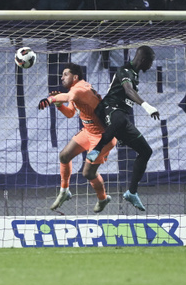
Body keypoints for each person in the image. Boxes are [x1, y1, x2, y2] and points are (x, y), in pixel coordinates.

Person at [85, 46, 160, 211]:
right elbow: (128, 89)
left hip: (121, 120)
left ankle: (132, 192)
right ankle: (97, 149)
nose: (151, 65)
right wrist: (147, 106)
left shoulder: (135, 75)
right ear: (144, 59)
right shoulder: (125, 70)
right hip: (109, 110)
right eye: (151, 62)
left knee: (146, 151)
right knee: (119, 119)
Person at [37, 63, 117, 213]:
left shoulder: (80, 89)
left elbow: (68, 96)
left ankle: (103, 198)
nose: (62, 77)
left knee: (88, 173)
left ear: (75, 77)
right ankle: (64, 191)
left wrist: (50, 100)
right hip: (88, 132)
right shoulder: (75, 90)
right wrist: (59, 105)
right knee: (64, 156)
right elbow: (70, 114)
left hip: (102, 137)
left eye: (65, 74)